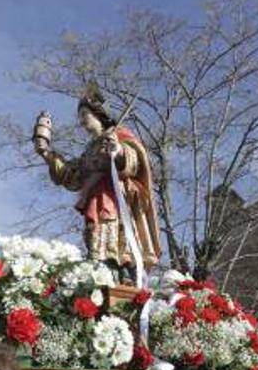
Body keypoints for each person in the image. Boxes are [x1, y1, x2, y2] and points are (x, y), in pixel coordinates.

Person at [33, 83, 162, 278]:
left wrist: (117, 151)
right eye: (80, 117)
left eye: (84, 115)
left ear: (97, 113)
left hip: (115, 200)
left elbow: (135, 160)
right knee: (96, 242)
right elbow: (73, 176)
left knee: (117, 247)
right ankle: (101, 275)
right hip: (95, 199)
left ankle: (121, 275)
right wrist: (46, 153)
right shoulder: (89, 151)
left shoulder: (119, 135)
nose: (82, 121)